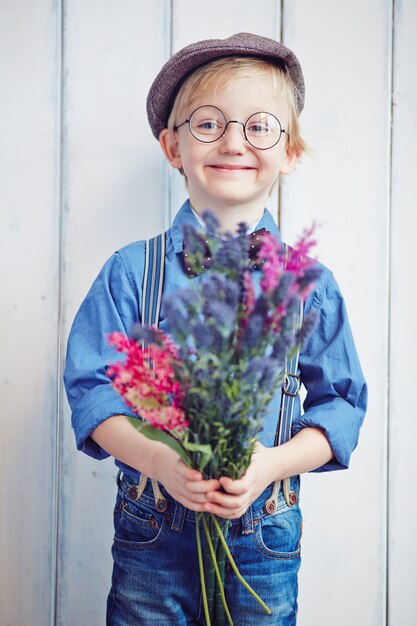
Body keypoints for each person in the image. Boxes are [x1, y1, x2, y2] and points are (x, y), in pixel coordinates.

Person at [64, 32, 367, 626]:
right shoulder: (132, 272)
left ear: (291, 153)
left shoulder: (309, 285)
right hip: (152, 530)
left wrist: (268, 466)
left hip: (264, 535)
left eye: (259, 126)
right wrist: (158, 460)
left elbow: (342, 406)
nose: (233, 141)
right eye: (207, 124)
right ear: (171, 146)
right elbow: (91, 390)